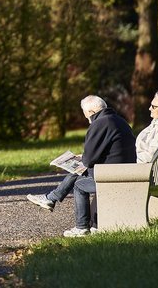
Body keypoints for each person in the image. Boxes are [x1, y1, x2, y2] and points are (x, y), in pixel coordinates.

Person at [26, 95, 136, 237]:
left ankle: (81, 227)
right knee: (79, 172)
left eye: (86, 116)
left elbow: (89, 160)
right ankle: (50, 198)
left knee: (79, 184)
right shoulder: (119, 121)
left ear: (90, 112)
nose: (87, 119)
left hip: (112, 177)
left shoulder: (100, 124)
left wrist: (83, 158)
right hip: (124, 171)